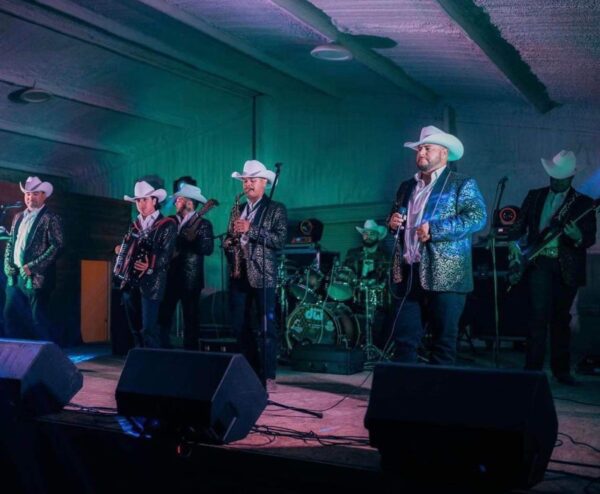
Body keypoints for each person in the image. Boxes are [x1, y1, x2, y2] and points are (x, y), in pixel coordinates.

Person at [387, 125, 487, 364]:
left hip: (446, 274)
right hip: (410, 272)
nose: (420, 152)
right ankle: (405, 394)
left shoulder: (460, 183)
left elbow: (477, 217)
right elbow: (395, 220)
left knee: (443, 341)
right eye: (419, 148)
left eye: (427, 148)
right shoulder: (406, 186)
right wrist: (392, 223)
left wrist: (436, 229)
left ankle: (439, 396)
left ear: (443, 153)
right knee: (405, 339)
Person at [509, 150, 597, 385]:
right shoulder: (535, 196)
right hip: (540, 262)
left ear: (571, 178)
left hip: (567, 266)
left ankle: (561, 370)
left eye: (562, 177)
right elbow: (518, 227)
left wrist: (578, 236)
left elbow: (589, 238)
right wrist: (513, 244)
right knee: (538, 317)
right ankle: (533, 369)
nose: (557, 181)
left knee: (561, 319)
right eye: (554, 177)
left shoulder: (584, 204)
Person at [223, 160, 287, 388]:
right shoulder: (238, 209)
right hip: (239, 274)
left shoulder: (276, 208)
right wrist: (229, 243)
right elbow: (230, 239)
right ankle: (251, 371)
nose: (247, 184)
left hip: (263, 274)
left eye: (252, 180)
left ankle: (268, 375)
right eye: (245, 180)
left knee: (266, 328)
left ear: (264, 183)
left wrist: (252, 230)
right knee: (239, 326)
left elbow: (279, 241)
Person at [116, 180, 177, 348]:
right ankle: (140, 365)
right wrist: (121, 251)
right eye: (138, 200)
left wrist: (150, 264)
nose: (141, 204)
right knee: (135, 329)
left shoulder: (167, 224)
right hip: (130, 282)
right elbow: (128, 248)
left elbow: (167, 253)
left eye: (145, 200)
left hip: (152, 283)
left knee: (149, 329)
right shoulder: (134, 226)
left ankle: (154, 368)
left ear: (154, 201)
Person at [3, 176, 64, 342]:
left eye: (35, 193)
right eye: (28, 194)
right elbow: (11, 243)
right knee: (11, 318)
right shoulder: (18, 217)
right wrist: (7, 265)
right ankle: (16, 361)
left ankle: (47, 361)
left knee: (39, 321)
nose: (30, 197)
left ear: (44, 195)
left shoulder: (51, 218)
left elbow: (57, 246)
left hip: (37, 279)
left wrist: (33, 266)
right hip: (15, 278)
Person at [157, 183, 214, 350]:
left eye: (179, 199)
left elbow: (207, 249)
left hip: (191, 279)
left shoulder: (204, 224)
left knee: (191, 318)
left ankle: (191, 353)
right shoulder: (170, 222)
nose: (176, 202)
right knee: (164, 316)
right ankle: (162, 350)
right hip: (168, 277)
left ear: (190, 203)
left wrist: (193, 240)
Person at [344, 219, 390, 284]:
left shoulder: (385, 256)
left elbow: (386, 278)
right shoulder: (352, 254)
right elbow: (346, 273)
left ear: (378, 236)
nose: (368, 236)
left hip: (376, 292)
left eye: (372, 233)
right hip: (355, 292)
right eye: (365, 233)